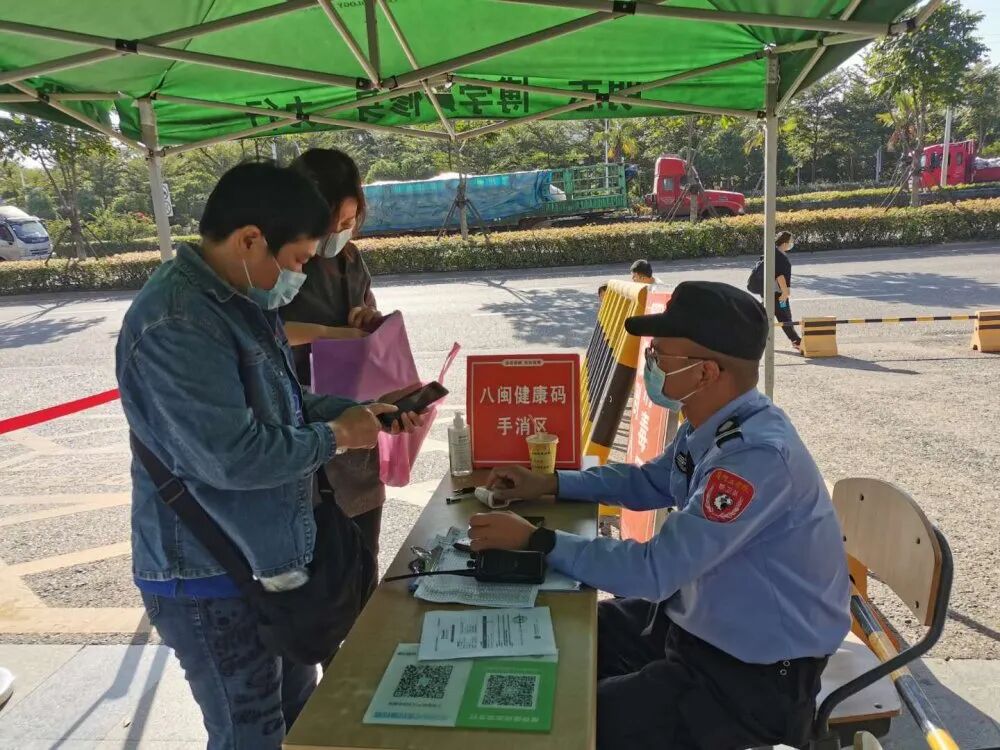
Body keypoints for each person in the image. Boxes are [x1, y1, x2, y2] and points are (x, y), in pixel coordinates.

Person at [468, 281, 850, 750]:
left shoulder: (754, 457)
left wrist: (537, 541)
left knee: (566, 724)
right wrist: (550, 482)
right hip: (696, 622)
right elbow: (648, 482)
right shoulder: (716, 423)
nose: (650, 364)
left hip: (750, 678)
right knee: (560, 630)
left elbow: (654, 571)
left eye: (661, 356)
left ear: (706, 371)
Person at [116, 162, 421, 750]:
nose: (301, 275)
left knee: (297, 716)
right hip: (208, 575)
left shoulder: (239, 299)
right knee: (248, 732)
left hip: (265, 562)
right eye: (300, 259)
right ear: (251, 239)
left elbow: (287, 397)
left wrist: (361, 410)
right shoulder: (178, 322)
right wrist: (338, 437)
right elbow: (231, 458)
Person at [280, 148, 389, 557]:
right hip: (302, 431)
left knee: (362, 557)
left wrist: (366, 319)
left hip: (355, 424)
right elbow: (261, 334)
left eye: (348, 223)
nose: (338, 233)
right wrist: (333, 334)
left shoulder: (349, 257)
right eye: (330, 224)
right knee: (320, 571)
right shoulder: (272, 264)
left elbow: (368, 316)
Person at [773, 230, 801, 351]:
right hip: (779, 295)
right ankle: (796, 341)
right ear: (785, 243)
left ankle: (795, 340)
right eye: (790, 242)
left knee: (763, 318)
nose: (791, 244)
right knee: (785, 317)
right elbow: (779, 276)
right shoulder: (781, 257)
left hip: (769, 293)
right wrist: (785, 293)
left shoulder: (772, 253)